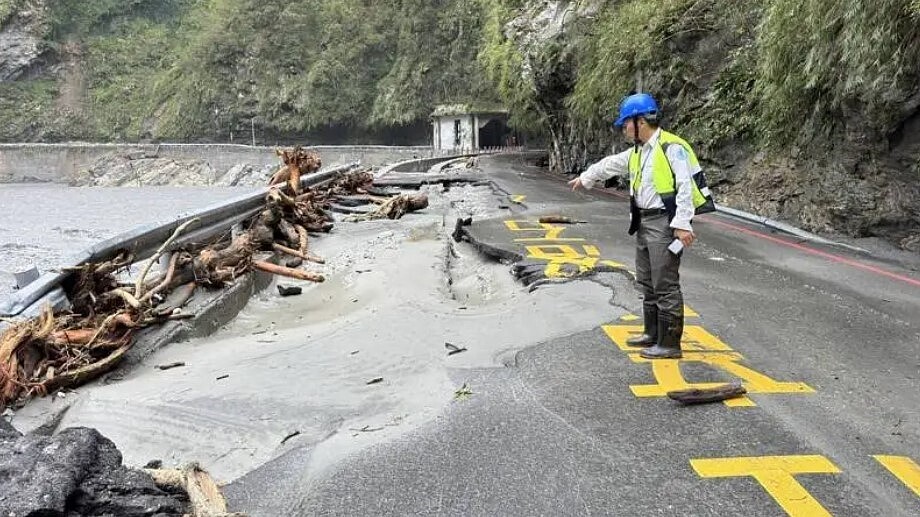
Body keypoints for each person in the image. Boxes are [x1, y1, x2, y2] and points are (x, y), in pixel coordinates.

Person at [568, 92, 712, 359]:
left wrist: (682, 225)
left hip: (664, 223)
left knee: (664, 282)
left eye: (626, 123)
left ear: (640, 121)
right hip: (644, 222)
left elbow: (684, 187)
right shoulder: (639, 151)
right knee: (646, 280)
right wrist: (586, 178)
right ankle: (652, 333)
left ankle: (669, 343)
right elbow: (610, 164)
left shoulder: (672, 148)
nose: (624, 128)